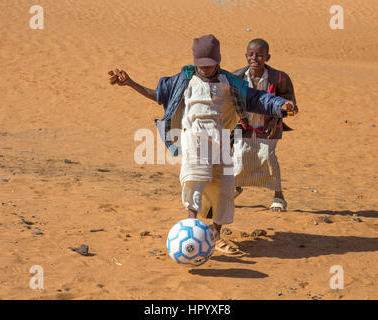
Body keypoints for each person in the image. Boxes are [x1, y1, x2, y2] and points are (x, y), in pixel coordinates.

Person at [109, 35, 296, 255]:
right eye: (200, 65)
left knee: (226, 187)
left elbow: (259, 99)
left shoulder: (231, 83)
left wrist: (281, 105)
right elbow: (157, 95)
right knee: (195, 180)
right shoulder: (183, 80)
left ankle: (216, 235)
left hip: (223, 140)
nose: (204, 69)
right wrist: (130, 83)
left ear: (218, 60)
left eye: (209, 65)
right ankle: (191, 230)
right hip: (194, 138)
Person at [232, 38, 298, 212]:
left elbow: (289, 102)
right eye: (251, 54)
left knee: (268, 157)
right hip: (243, 126)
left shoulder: (279, 78)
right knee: (239, 158)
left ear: (268, 57)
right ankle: (235, 188)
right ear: (246, 56)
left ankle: (278, 196)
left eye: (260, 55)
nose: (255, 58)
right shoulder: (236, 77)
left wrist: (278, 118)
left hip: (268, 127)